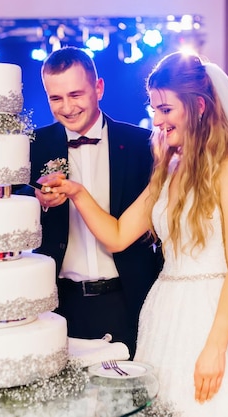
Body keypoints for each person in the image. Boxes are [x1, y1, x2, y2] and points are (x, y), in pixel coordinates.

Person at [41, 52, 228, 416]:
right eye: (155, 109)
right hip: (164, 314)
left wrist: (215, 348)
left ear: (199, 106)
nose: (156, 120)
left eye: (165, 109)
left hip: (211, 314)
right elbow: (116, 235)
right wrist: (77, 192)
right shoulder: (169, 168)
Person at [29, 46, 163, 358]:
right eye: (56, 98)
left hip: (130, 297)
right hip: (60, 302)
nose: (67, 107)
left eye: (76, 94)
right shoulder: (34, 146)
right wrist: (37, 200)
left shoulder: (141, 145)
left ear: (98, 88)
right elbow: (10, 204)